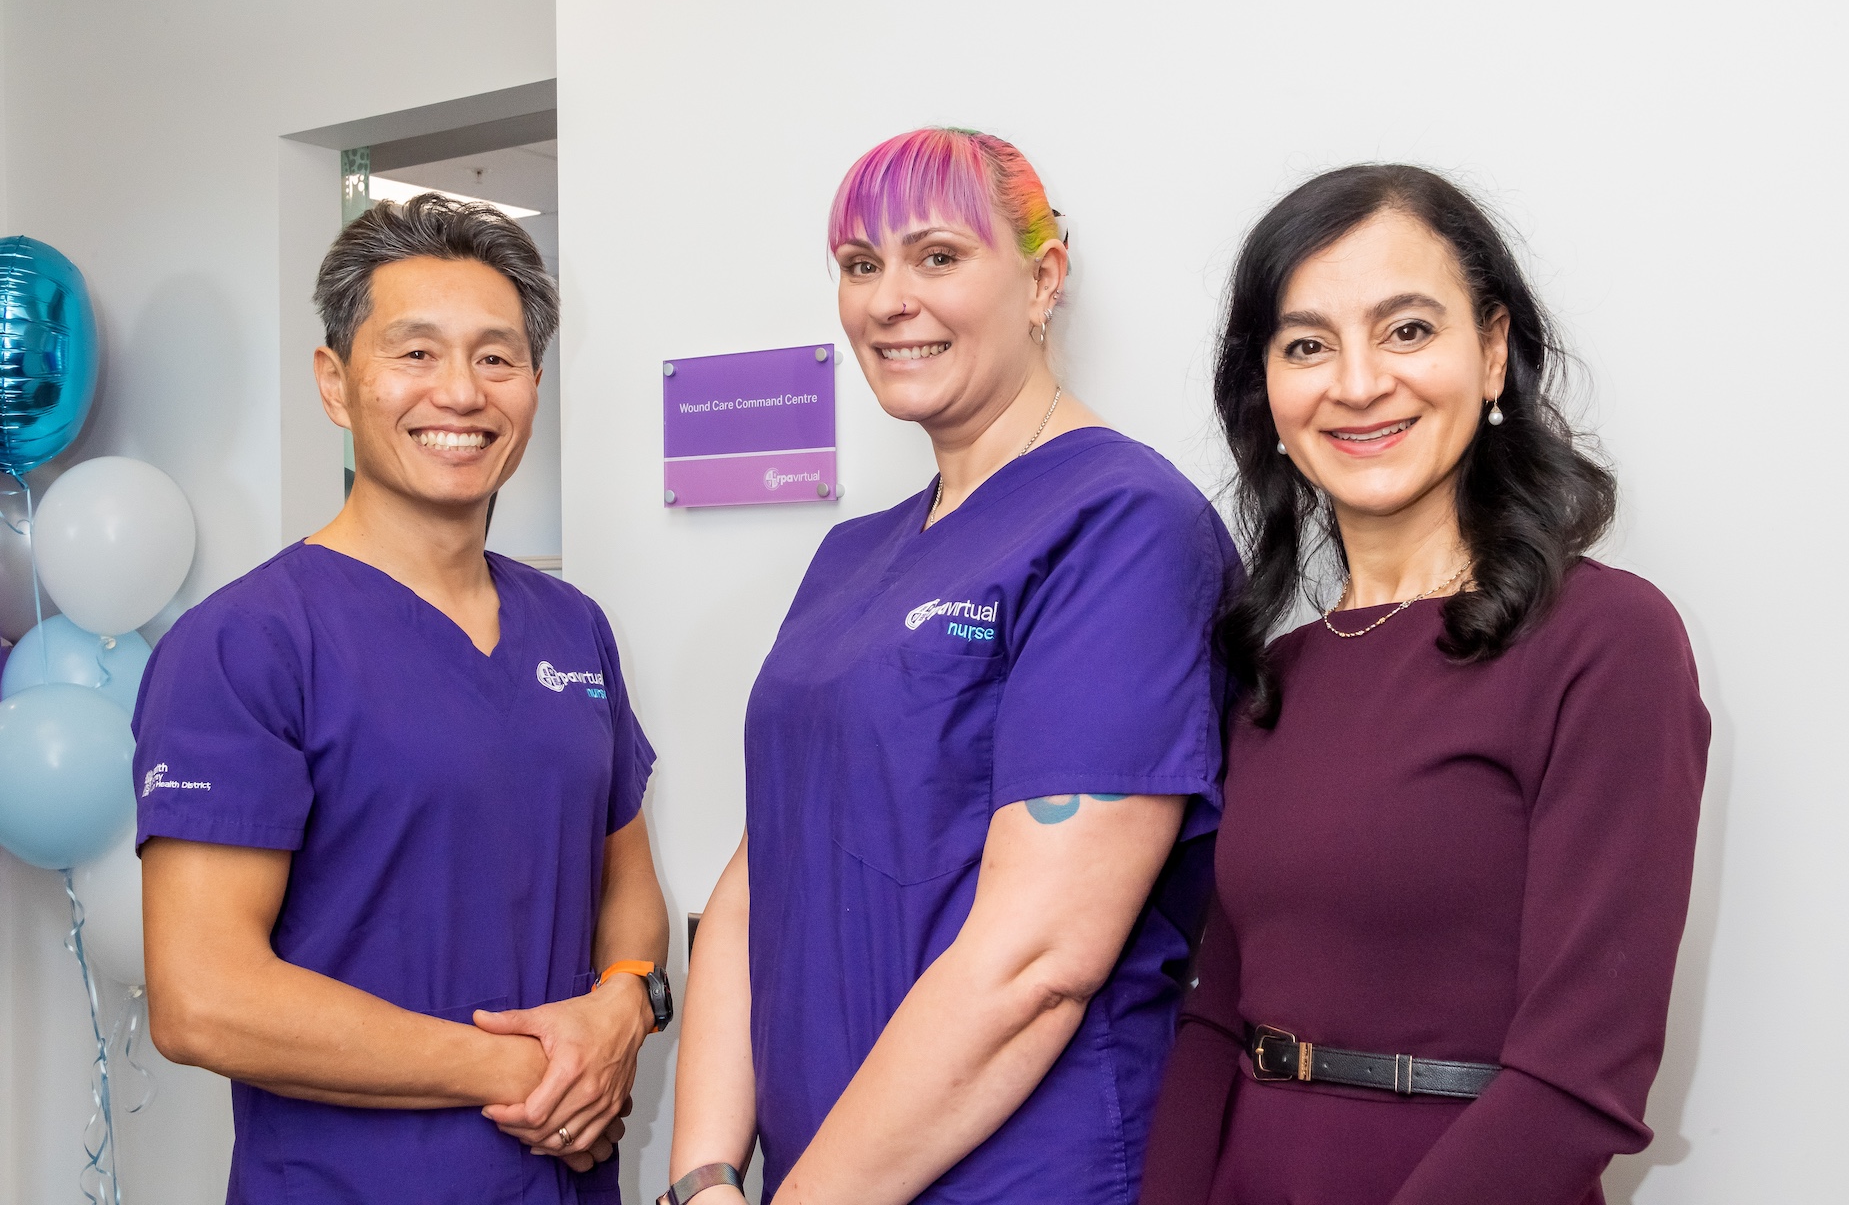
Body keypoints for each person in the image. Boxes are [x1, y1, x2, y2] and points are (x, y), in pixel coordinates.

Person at [662, 128, 1238, 1205]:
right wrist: (701, 1172)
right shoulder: (852, 555)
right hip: (808, 1172)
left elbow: (1038, 960)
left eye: (937, 256)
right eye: (860, 264)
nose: (888, 300)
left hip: (1020, 1174)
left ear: (1042, 279)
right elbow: (755, 881)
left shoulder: (1122, 527)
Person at [1139, 165, 1711, 1204]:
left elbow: (1581, 1077)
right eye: (1307, 343)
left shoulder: (1607, 640)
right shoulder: (1274, 675)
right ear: (1267, 389)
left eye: (1407, 329)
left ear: (1492, 351)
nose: (1358, 382)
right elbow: (1214, 1013)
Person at [134, 194, 671, 1204]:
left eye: (496, 358)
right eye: (415, 353)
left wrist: (621, 1004)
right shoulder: (249, 642)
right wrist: (528, 1069)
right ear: (336, 382)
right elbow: (203, 997)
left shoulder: (572, 627)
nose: (461, 392)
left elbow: (627, 880)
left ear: (534, 386)